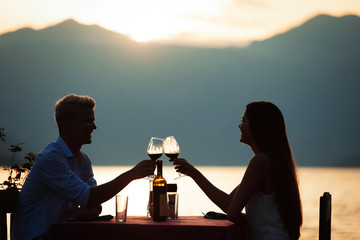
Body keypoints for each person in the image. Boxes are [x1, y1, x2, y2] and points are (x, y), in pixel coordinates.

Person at [11, 94, 156, 240]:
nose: (94, 126)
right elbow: (90, 199)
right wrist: (131, 175)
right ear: (67, 122)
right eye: (88, 121)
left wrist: (69, 216)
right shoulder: (51, 157)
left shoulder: (83, 160)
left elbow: (95, 206)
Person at [173, 101, 302, 240]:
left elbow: (232, 213)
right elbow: (229, 202)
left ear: (257, 126)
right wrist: (193, 173)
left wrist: (194, 173)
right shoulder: (274, 161)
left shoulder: (260, 162)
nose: (239, 126)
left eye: (243, 121)